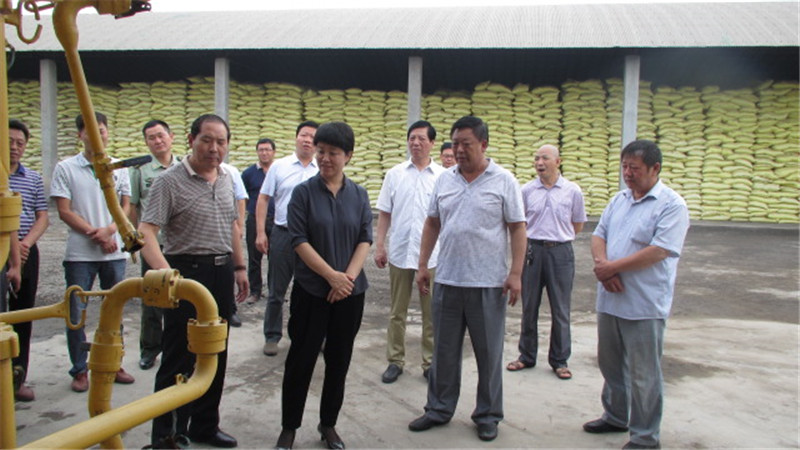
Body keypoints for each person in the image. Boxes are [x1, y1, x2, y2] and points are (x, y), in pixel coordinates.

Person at [408, 116, 526, 442]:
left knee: (488, 355)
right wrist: (422, 265)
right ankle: (438, 408)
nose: (459, 150)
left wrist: (516, 273)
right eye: (456, 143)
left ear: (483, 144)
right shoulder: (444, 180)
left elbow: (518, 227)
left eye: (466, 144)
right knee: (444, 352)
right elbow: (432, 223)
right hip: (447, 280)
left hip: (488, 284)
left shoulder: (504, 180)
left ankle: (488, 415)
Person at [139, 114, 248, 449]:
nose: (214, 148)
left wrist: (240, 267)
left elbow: (232, 225)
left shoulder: (227, 178)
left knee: (215, 350)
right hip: (185, 273)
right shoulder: (168, 182)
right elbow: (146, 233)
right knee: (179, 355)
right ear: (191, 140)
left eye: (221, 142)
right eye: (207, 140)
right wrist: (170, 278)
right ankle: (167, 435)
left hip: (220, 272)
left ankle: (204, 425)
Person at [583, 139, 689, 450]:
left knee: (644, 374)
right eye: (624, 167)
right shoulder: (619, 200)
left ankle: (645, 437)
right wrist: (604, 267)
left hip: (644, 303)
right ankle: (616, 416)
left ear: (655, 168)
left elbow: (659, 250)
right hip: (611, 298)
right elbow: (599, 234)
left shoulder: (672, 205)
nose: (627, 173)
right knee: (611, 364)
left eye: (635, 168)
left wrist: (611, 268)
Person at [274, 121, 372, 450]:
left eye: (333, 152)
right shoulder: (303, 193)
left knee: (339, 360)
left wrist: (347, 279)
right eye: (321, 151)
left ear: (349, 156)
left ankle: (328, 424)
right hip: (312, 291)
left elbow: (365, 239)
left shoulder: (359, 194)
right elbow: (298, 240)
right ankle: (289, 427)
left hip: (350, 294)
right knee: (300, 360)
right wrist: (331, 276)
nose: (325, 158)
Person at [50, 111, 135, 393]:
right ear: (80, 135)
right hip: (80, 255)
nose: (98, 135)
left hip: (114, 253)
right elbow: (64, 211)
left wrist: (111, 230)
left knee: (115, 311)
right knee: (77, 313)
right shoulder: (66, 168)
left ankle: (114, 362)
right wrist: (96, 235)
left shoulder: (118, 166)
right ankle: (80, 369)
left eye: (102, 129)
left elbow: (125, 206)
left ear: (107, 132)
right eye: (90, 130)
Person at [506, 144, 587, 380]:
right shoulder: (526, 191)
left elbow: (578, 224)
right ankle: (526, 356)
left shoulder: (572, 191)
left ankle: (560, 360)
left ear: (558, 162)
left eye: (545, 158)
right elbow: (519, 224)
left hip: (561, 253)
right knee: (529, 306)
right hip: (533, 251)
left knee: (561, 309)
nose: (539, 163)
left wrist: (558, 237)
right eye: (536, 159)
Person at [374, 120, 445, 384]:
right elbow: (385, 212)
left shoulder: (443, 177)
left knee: (432, 314)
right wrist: (380, 245)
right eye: (412, 138)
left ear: (432, 143)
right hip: (401, 252)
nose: (415, 143)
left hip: (433, 256)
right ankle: (395, 361)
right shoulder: (395, 174)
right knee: (397, 312)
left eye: (421, 139)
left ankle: (430, 363)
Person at [255, 121, 319, 357]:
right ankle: (272, 336)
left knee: (312, 290)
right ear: (296, 138)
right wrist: (261, 232)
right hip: (283, 234)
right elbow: (263, 198)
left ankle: (308, 335)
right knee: (276, 290)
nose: (307, 140)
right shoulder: (279, 167)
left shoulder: (322, 169)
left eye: (312, 137)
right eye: (303, 135)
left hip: (312, 239)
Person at [3, 119, 49, 401]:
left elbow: (42, 216)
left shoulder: (32, 178)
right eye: (9, 141)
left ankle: (18, 377)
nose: (14, 147)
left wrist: (24, 245)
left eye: (20, 143)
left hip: (26, 251)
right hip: (2, 252)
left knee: (23, 315)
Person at [128, 119, 180, 371]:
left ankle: (178, 346)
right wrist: (135, 241)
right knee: (152, 299)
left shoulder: (185, 167)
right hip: (153, 246)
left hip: (179, 245)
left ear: (171, 137)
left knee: (180, 296)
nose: (158, 141)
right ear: (146, 142)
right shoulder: (140, 171)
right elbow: (133, 208)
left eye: (161, 135)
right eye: (152, 137)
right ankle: (150, 348)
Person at [241, 138, 276, 305]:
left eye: (267, 150)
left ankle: (274, 291)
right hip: (255, 220)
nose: (264, 153)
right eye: (261, 150)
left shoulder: (278, 171)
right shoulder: (248, 173)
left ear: (273, 152)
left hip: (275, 221)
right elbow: (243, 198)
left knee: (275, 258)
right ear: (257, 152)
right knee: (254, 257)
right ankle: (255, 291)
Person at [220, 160, 248, 328]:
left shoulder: (229, 173)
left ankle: (230, 310)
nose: (214, 149)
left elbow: (240, 199)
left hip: (225, 239)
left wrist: (240, 225)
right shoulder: (176, 176)